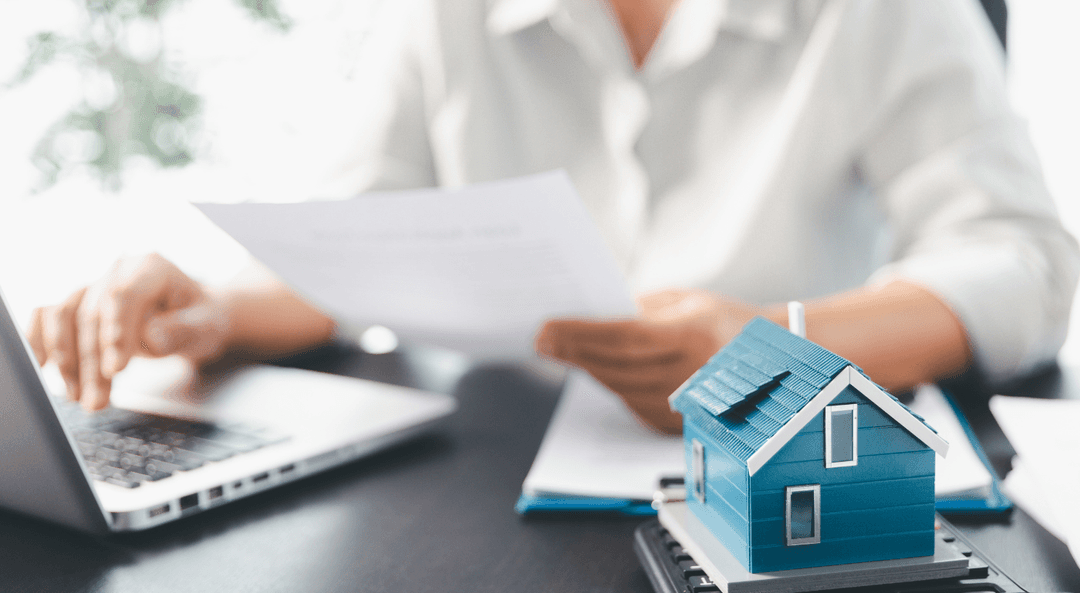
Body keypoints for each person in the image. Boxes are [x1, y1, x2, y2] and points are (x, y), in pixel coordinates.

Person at [27, 0, 1078, 434]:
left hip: (793, 465)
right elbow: (353, 235)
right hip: (489, 483)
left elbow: (1021, 259)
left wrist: (778, 350)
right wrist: (207, 305)